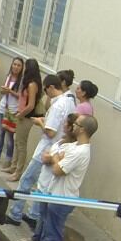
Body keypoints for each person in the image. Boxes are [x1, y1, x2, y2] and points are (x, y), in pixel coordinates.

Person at [25, 116, 96, 241]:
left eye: (77, 124)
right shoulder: (74, 146)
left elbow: (57, 169)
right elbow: (56, 156)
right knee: (47, 229)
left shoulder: (80, 151)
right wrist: (57, 158)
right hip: (54, 193)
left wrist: (56, 159)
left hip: (63, 198)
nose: (73, 126)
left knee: (53, 233)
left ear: (83, 129)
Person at [8, 73, 72, 224]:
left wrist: (39, 122)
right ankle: (34, 215)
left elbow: (50, 132)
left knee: (26, 179)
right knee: (43, 184)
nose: (45, 94)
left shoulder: (57, 106)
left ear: (50, 87)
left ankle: (15, 213)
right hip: (55, 149)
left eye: (45, 90)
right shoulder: (68, 101)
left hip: (46, 148)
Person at [6, 59, 43, 180]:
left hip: (26, 117)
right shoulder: (27, 82)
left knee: (21, 144)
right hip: (21, 114)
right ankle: (13, 166)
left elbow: (31, 105)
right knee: (17, 141)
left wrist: (21, 114)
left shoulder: (32, 84)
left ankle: (18, 171)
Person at [0, 57, 23, 166]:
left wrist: (10, 91)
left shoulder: (21, 81)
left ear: (22, 68)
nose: (16, 67)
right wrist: (3, 90)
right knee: (0, 133)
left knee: (10, 137)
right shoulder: (8, 76)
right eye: (14, 64)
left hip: (13, 111)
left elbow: (21, 97)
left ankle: (8, 158)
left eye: (19, 65)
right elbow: (2, 91)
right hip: (3, 107)